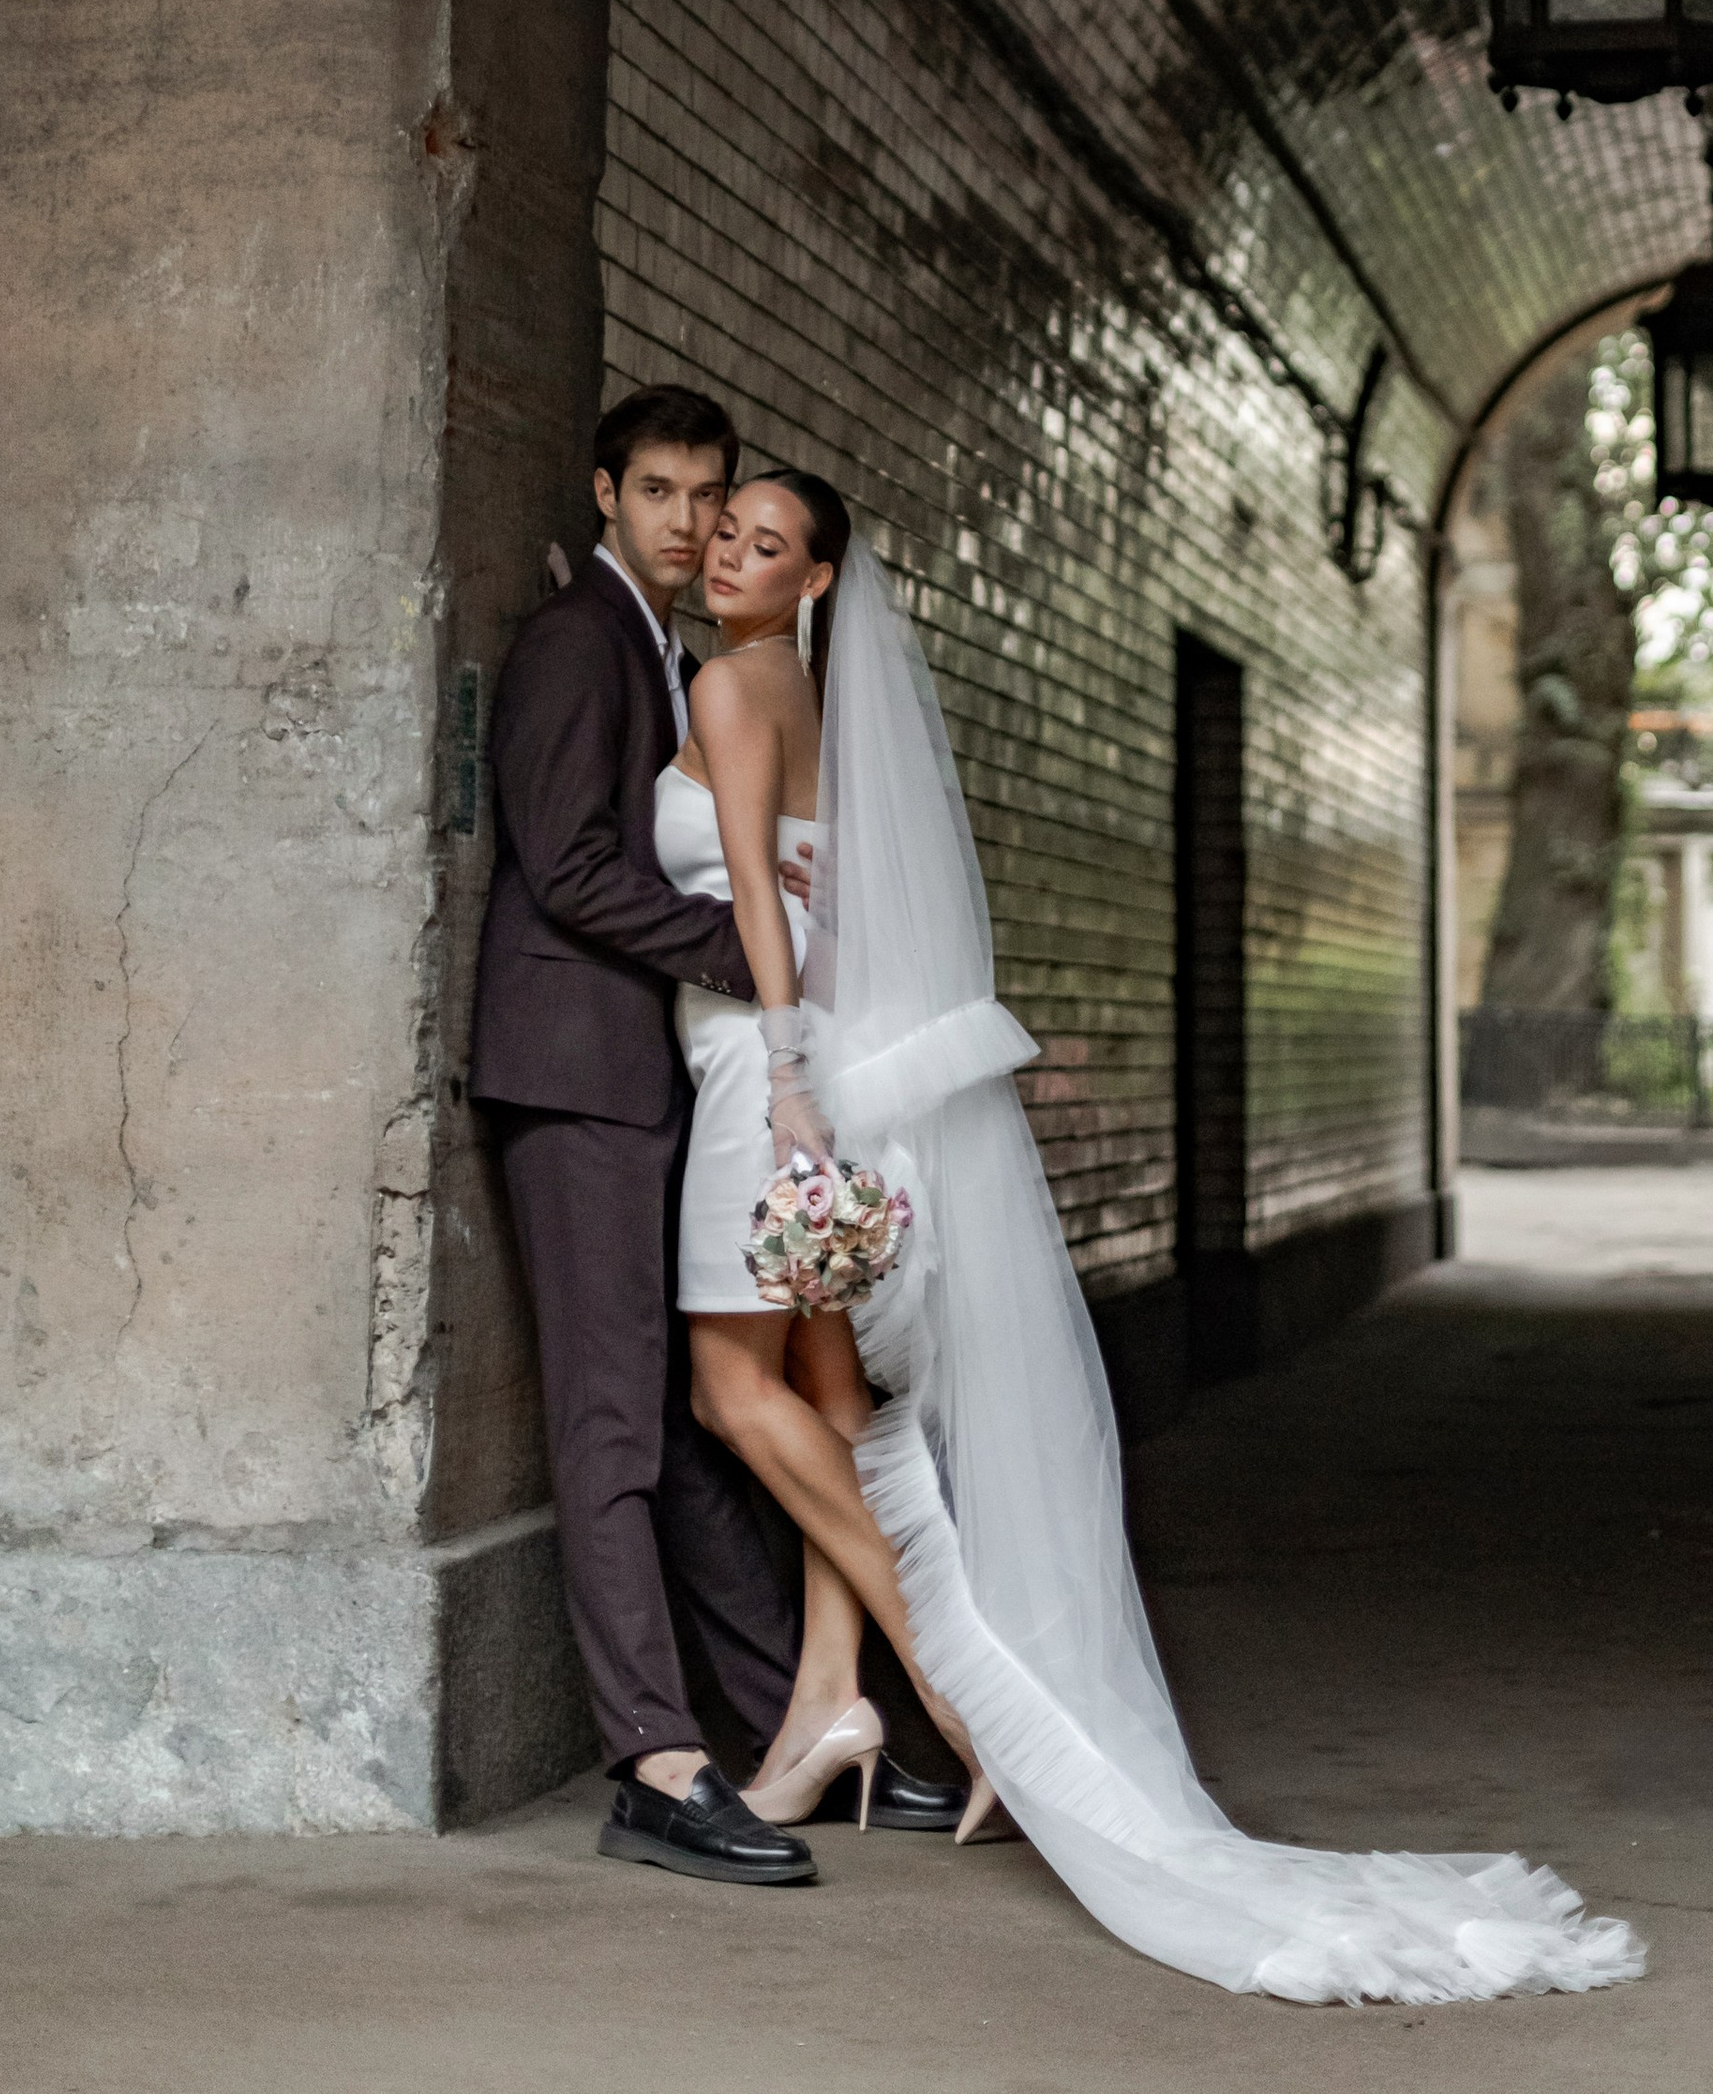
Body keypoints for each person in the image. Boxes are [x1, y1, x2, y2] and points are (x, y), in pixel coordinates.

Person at [671, 466, 1646, 2003]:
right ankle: (825, 1707)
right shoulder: (804, 689)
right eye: (720, 529)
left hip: (758, 1074)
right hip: (827, 1065)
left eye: (762, 543)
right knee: (843, 1401)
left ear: (819, 579)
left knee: (738, 1392)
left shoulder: (732, 686)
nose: (725, 551)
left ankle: (960, 1691)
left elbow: (750, 895)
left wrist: (788, 1080)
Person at [468, 385, 962, 1888]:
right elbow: (564, 868)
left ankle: (805, 1716)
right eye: (664, 493)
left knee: (691, 1426)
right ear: (605, 491)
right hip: (575, 1076)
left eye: (711, 497)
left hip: (652, 1079)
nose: (690, 524)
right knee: (624, 1424)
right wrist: (763, 963)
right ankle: (659, 1766)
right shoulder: (578, 642)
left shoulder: (677, 653)